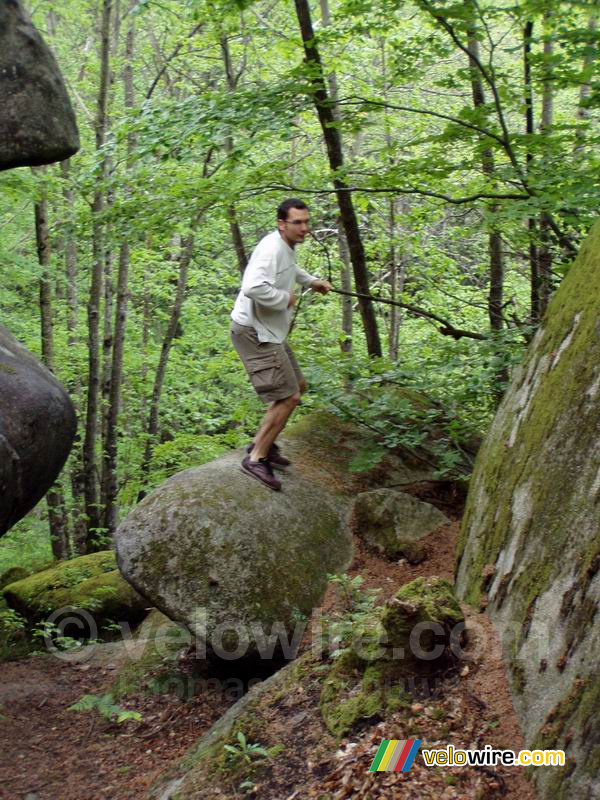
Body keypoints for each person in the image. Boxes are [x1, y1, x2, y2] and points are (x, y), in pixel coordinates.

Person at [231, 198, 332, 490]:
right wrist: (283, 299)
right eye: (297, 223)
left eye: (306, 222)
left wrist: (311, 281)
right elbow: (251, 286)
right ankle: (256, 458)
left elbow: (288, 271)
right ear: (281, 224)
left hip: (269, 331)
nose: (305, 228)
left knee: (297, 386)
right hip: (254, 332)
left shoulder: (284, 247)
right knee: (289, 397)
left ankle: (265, 442)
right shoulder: (271, 249)